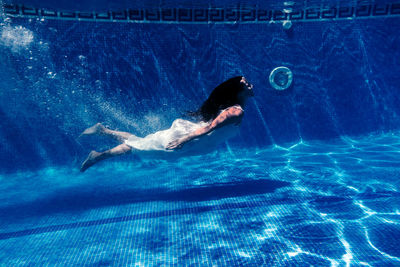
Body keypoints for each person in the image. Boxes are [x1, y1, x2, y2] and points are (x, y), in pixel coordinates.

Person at [80, 76, 254, 172]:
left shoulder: (233, 108)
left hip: (195, 142)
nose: (251, 85)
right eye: (246, 84)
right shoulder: (235, 111)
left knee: (141, 142)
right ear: (238, 91)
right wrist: (183, 140)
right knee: (140, 146)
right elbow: (209, 128)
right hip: (189, 140)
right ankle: (98, 156)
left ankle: (103, 130)